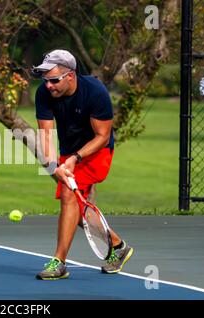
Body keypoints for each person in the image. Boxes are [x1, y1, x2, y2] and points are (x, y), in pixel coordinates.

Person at [32, 49, 133, 280]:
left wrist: (75, 158)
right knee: (76, 210)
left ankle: (59, 262)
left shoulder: (95, 92)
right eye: (45, 80)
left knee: (69, 196)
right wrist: (51, 164)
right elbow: (46, 136)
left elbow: (102, 136)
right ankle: (118, 246)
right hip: (68, 152)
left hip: (97, 150)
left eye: (54, 80)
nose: (49, 85)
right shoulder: (44, 93)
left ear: (70, 75)